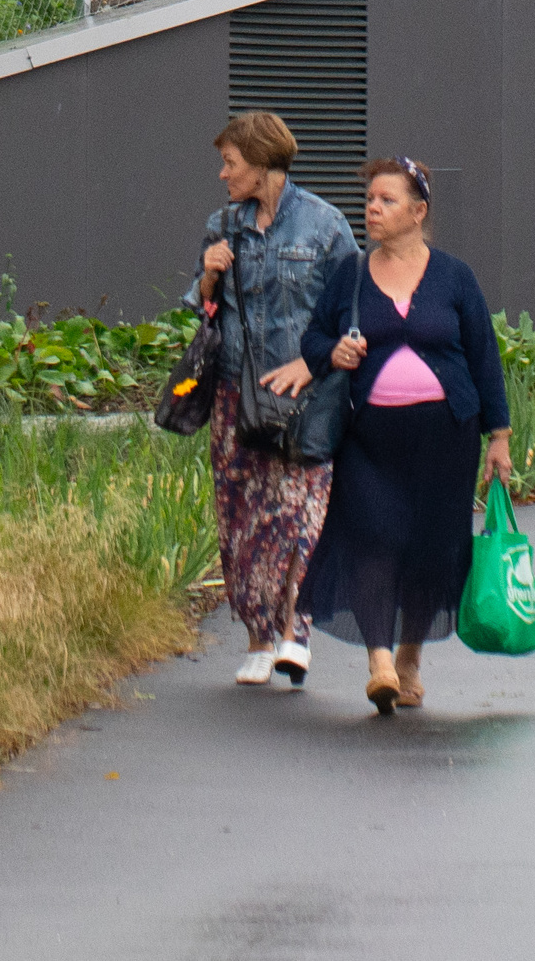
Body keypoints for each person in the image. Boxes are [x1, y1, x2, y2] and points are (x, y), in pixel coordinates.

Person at [297, 158, 515, 715]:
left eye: (386, 200)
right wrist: (334, 353)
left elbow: (484, 359)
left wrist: (499, 436)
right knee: (372, 539)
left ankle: (411, 657)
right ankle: (380, 663)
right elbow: (314, 339)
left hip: (446, 438)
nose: (372, 207)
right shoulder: (349, 273)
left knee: (429, 547)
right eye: (369, 198)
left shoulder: (454, 276)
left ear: (418, 212)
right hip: (370, 440)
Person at [193, 113, 353, 688]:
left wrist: (312, 364)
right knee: (242, 520)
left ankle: (295, 632)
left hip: (303, 396)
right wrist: (209, 277)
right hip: (236, 394)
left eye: (230, 163)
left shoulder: (327, 228)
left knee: (299, 518)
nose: (223, 174)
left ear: (261, 165)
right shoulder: (222, 225)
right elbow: (203, 310)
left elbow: (351, 319)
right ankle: (259, 638)